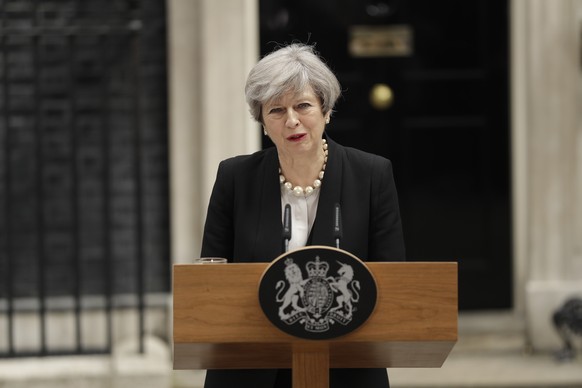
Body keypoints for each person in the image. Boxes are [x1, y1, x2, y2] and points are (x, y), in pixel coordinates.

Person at [201, 43, 406, 388]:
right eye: (276, 110)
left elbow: (393, 282)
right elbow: (211, 280)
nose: (292, 120)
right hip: (251, 370)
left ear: (326, 110)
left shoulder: (371, 175)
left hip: (345, 369)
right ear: (262, 122)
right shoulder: (235, 178)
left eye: (303, 105)